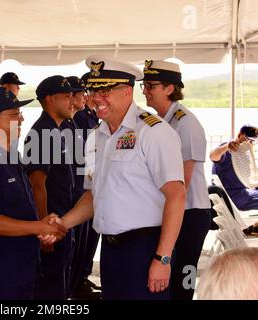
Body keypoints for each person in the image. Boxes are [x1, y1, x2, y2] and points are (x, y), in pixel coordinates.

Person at [61, 55, 186, 300]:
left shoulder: (153, 132)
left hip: (146, 248)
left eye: (105, 90)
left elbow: (177, 195)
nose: (97, 99)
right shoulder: (96, 135)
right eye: (93, 90)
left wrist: (163, 258)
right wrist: (62, 224)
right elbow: (93, 194)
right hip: (110, 251)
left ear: (127, 91)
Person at [0, 87, 66, 300]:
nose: (22, 119)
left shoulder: (7, 154)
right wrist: (38, 227)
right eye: (15, 115)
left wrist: (42, 222)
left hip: (17, 269)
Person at [141, 60, 212, 300]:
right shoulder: (162, 122)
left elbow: (183, 182)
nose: (145, 91)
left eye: (151, 86)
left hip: (190, 213)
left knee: (185, 274)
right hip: (176, 211)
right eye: (145, 85)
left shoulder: (185, 122)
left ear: (169, 89)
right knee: (171, 278)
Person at [23, 75, 80, 300]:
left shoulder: (57, 131)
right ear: (49, 100)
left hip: (63, 223)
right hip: (52, 228)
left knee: (60, 284)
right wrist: (43, 229)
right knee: (50, 289)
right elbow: (37, 185)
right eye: (66, 97)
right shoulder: (42, 134)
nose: (72, 102)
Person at [69, 72, 101, 298]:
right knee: (81, 240)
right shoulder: (79, 118)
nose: (89, 96)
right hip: (81, 187)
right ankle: (76, 281)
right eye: (88, 92)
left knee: (91, 237)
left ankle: (82, 277)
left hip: (91, 183)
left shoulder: (91, 116)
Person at [210, 125, 258, 211]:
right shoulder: (228, 151)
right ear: (240, 134)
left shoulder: (244, 154)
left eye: (253, 141)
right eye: (247, 139)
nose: (249, 142)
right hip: (232, 197)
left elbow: (248, 177)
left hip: (244, 193)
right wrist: (227, 147)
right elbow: (213, 156)